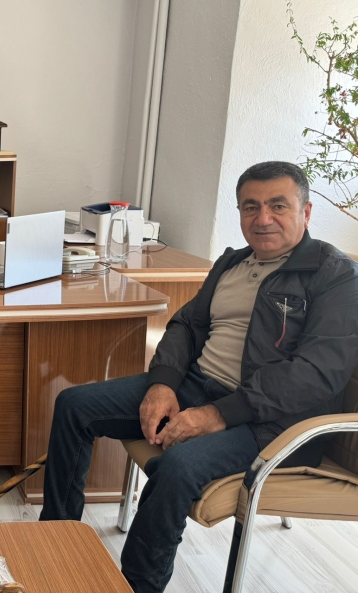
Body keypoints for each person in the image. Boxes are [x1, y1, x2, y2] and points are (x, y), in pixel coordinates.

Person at [39, 161, 358, 593]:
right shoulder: (232, 263)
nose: (263, 218)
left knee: (178, 465)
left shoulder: (335, 276)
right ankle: (55, 543)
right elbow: (187, 325)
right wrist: (163, 384)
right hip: (195, 387)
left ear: (306, 212)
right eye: (251, 207)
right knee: (74, 405)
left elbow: (317, 373)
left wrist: (217, 414)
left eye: (278, 205)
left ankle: (137, 586)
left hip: (274, 424)